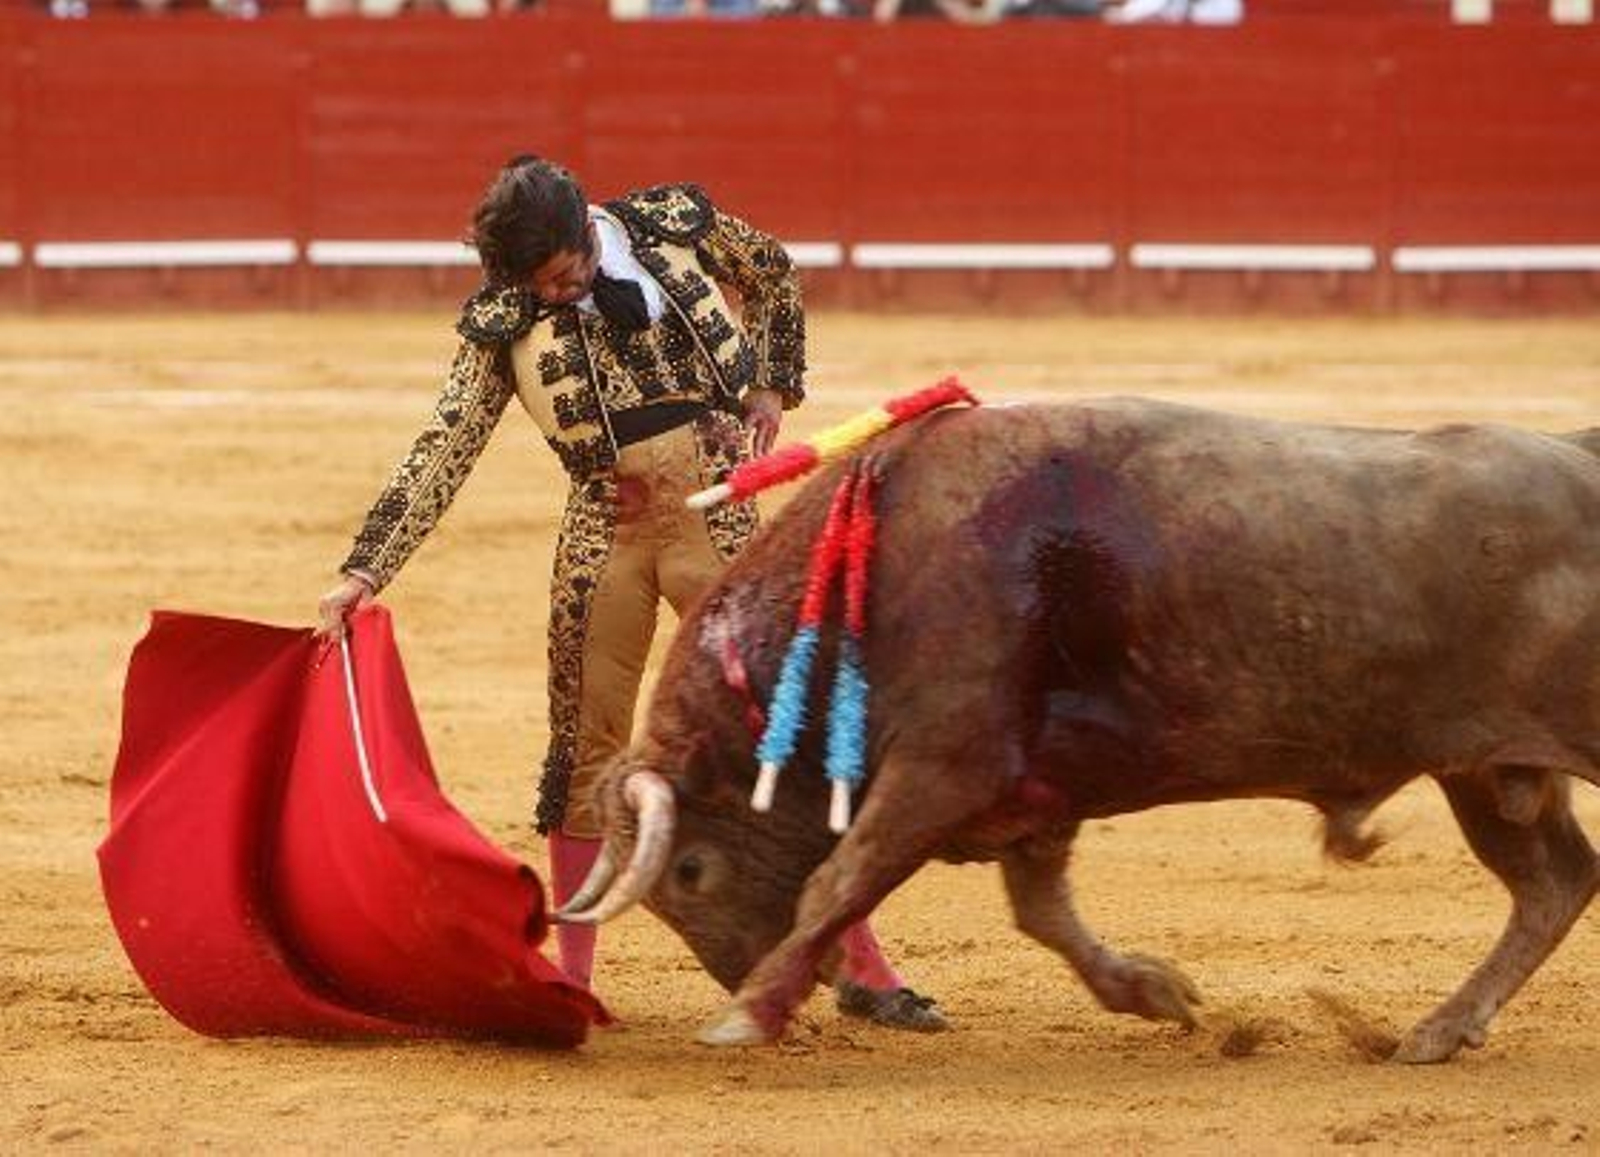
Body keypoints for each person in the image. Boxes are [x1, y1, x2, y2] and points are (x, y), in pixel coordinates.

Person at [317, 156, 943, 1031]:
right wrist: (366, 567)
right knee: (584, 746)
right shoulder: (506, 317)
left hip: (722, 525)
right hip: (602, 535)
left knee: (787, 738)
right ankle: (572, 975)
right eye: (540, 287)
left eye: (564, 276)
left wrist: (769, 383)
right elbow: (446, 442)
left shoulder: (672, 227)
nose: (558, 296)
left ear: (584, 232)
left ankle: (865, 970)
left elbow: (771, 271)